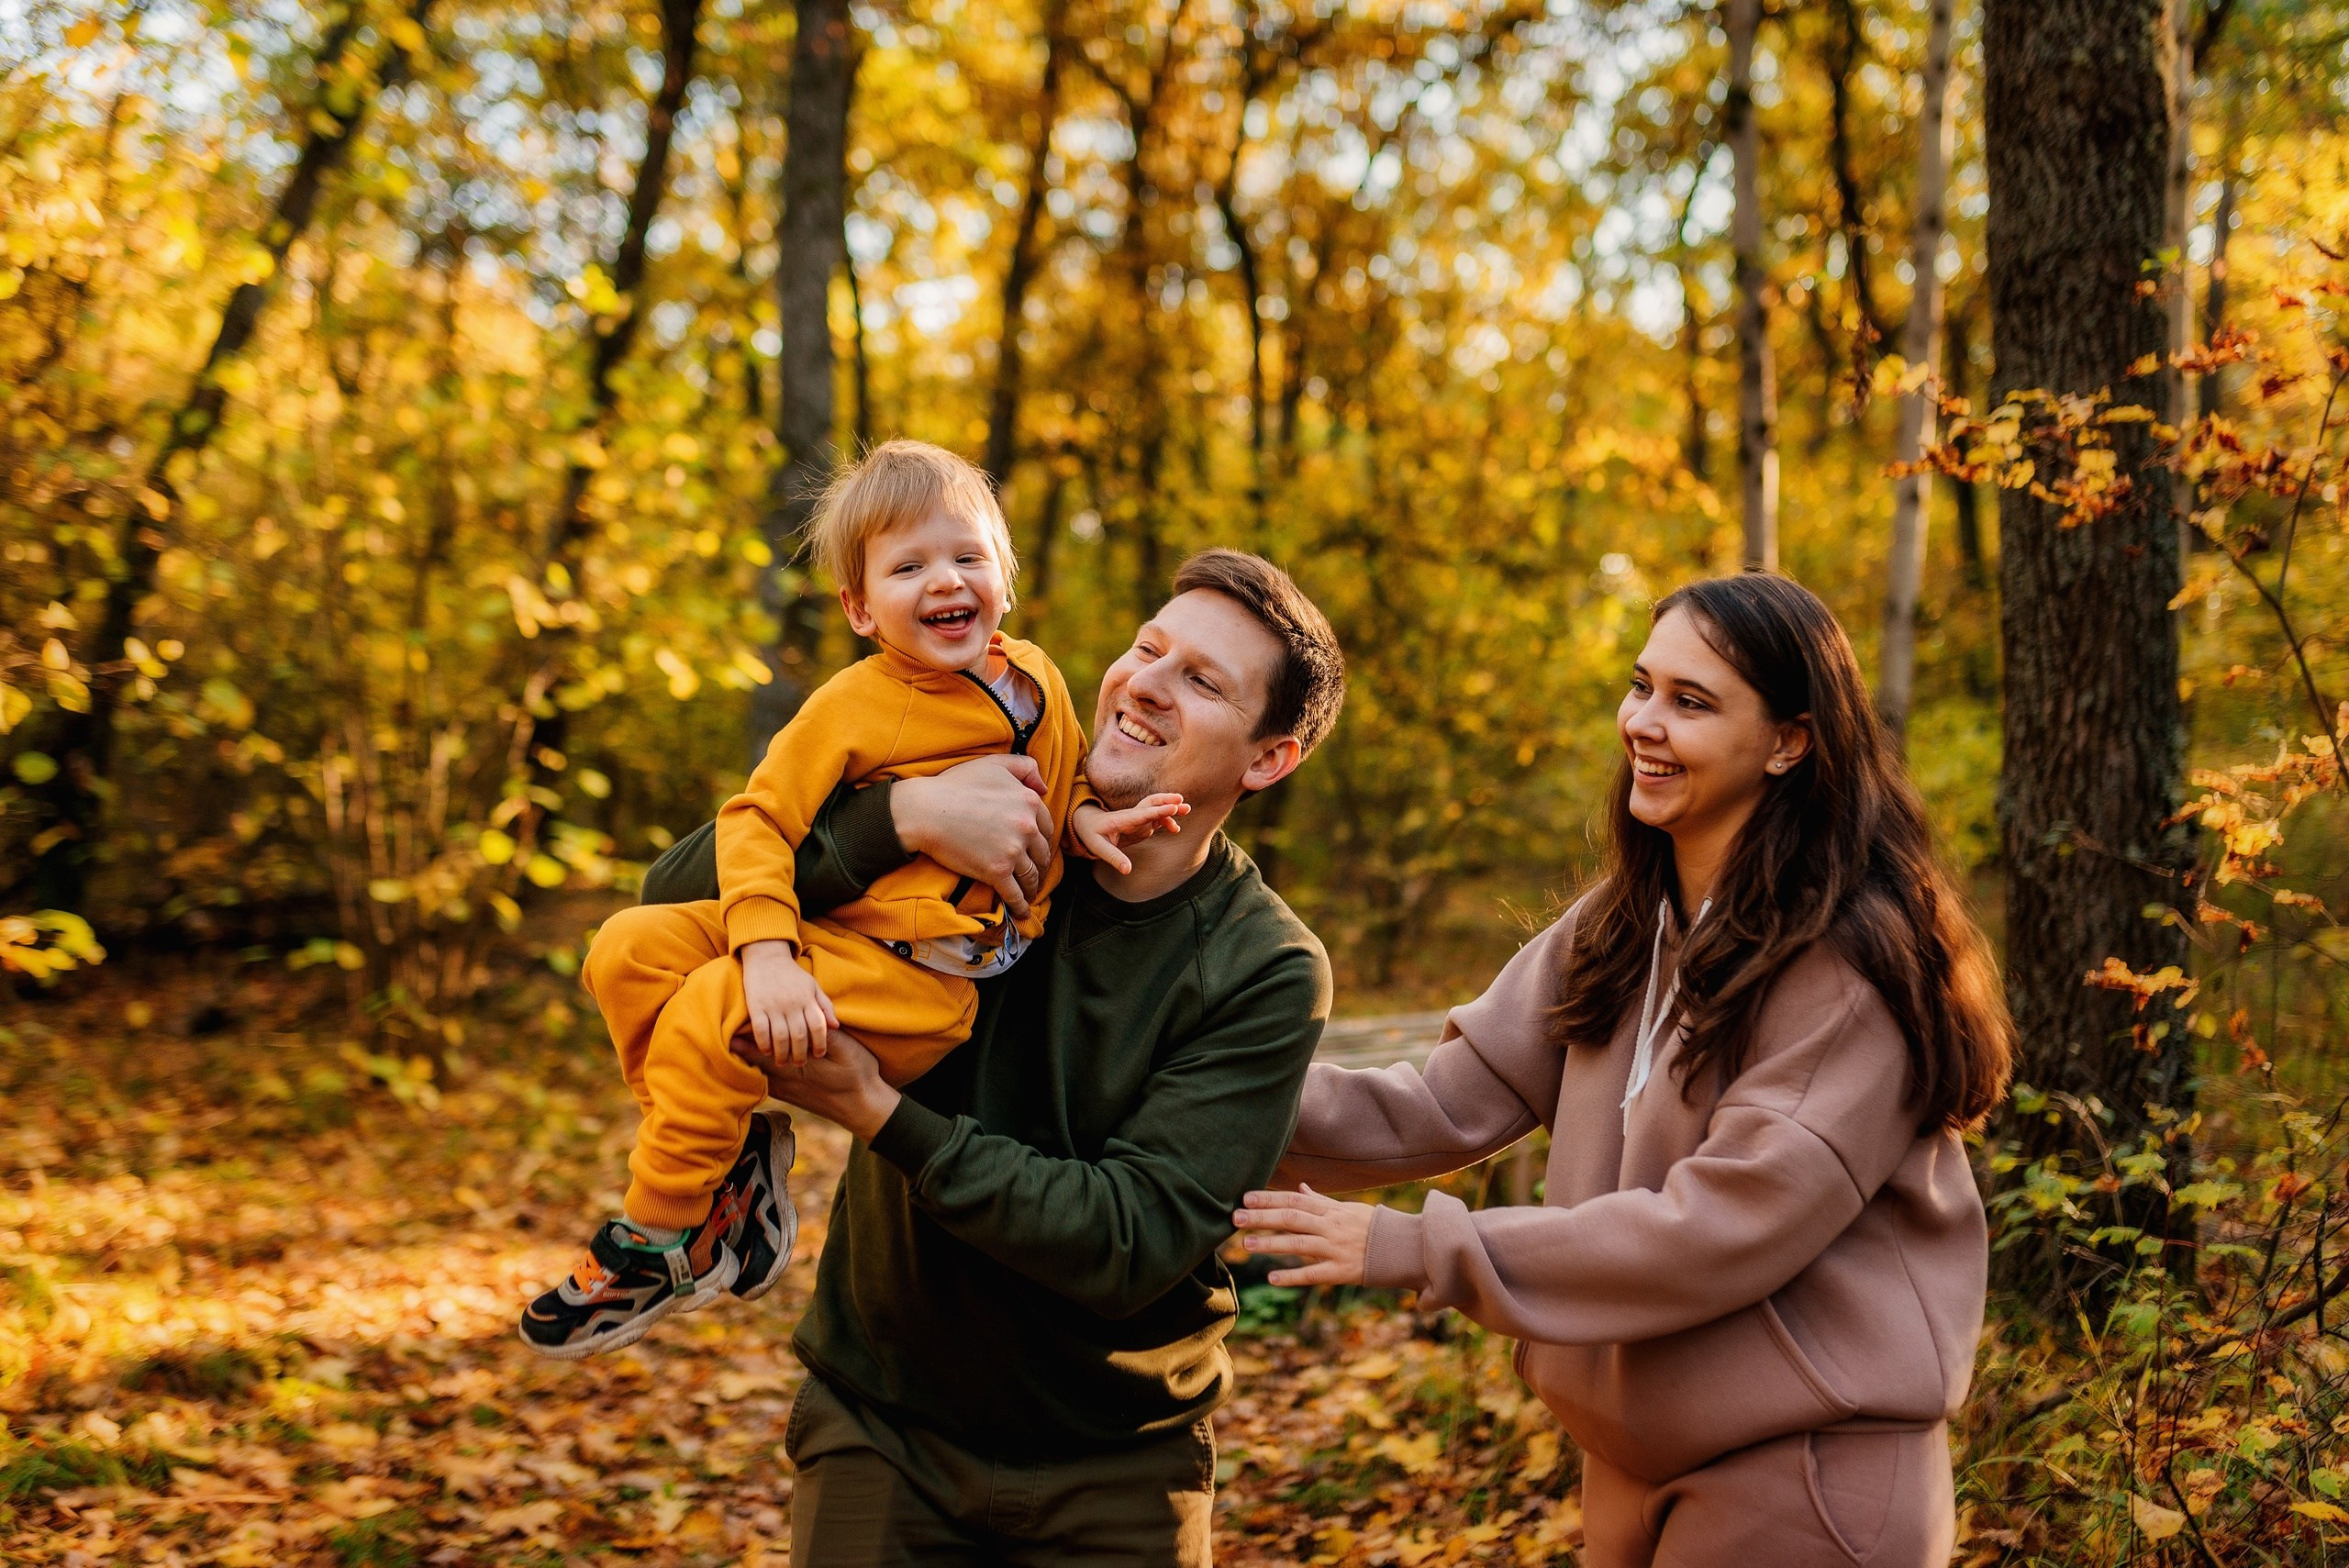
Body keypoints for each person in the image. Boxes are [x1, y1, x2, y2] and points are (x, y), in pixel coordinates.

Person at [1234, 573, 2010, 1568]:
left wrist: (1420, 1248)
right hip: (1630, 1465)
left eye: (1690, 703)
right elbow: (1433, 1106)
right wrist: (1188, 1090)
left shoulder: (1847, 964)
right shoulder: (1618, 924)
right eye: (1642, 686)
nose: (1643, 721)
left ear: (1789, 741)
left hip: (1807, 1473)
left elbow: (1720, 1226)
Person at [661, 549, 1345, 1565]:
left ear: (1267, 759)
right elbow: (666, 890)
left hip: (1121, 1466)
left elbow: (1126, 1237)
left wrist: (877, 1110)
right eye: (1147, 648)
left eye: (1202, 681)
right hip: (881, 1427)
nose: (1145, 682)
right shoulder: (978, 802)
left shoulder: (1264, 965)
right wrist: (901, 816)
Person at [522, 440, 1182, 1361]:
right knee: (625, 948)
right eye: (907, 565)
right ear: (860, 606)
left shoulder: (1036, 677)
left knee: (713, 1010)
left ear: (1004, 574)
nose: (944, 579)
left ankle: (663, 1230)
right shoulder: (851, 706)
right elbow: (755, 820)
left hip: (919, 981)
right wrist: (766, 949)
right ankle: (727, 1161)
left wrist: (1081, 825)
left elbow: (1052, 780)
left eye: (966, 555)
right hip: (839, 939)